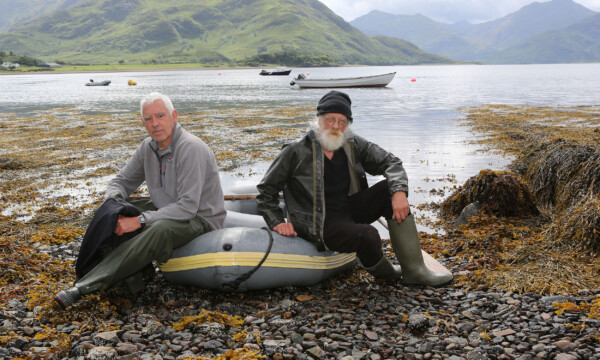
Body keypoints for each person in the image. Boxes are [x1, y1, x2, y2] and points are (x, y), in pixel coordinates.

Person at [256, 91, 452, 286]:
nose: (335, 126)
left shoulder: (353, 144)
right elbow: (266, 190)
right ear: (318, 119)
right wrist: (276, 221)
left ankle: (414, 271)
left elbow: (391, 162)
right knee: (368, 235)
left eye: (342, 121)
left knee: (388, 189)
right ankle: (387, 273)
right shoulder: (296, 151)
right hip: (318, 223)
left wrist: (399, 192)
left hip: (348, 209)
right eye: (330, 119)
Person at [55, 92, 226, 309]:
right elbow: (121, 182)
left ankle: (84, 286)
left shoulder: (191, 148)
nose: (155, 124)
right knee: (114, 212)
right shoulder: (148, 147)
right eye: (148, 119)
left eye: (160, 116)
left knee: (159, 229)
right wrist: (113, 205)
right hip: (165, 208)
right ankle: (130, 279)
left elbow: (187, 207)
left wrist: (141, 220)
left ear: (174, 116)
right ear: (142, 122)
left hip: (200, 218)